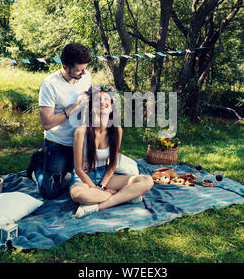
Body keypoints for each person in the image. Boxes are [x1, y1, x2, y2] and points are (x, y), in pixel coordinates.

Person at [28, 42, 139, 200]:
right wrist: (74, 106)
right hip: (59, 143)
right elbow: (47, 123)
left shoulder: (85, 75)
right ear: (65, 66)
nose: (83, 73)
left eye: (85, 68)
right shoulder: (49, 85)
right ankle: (38, 163)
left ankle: (65, 169)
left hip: (83, 139)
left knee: (78, 176)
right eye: (79, 69)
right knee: (50, 193)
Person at [69, 85, 154, 218]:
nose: (102, 102)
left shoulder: (117, 130)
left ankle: (98, 206)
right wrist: (96, 188)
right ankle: (125, 196)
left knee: (146, 180)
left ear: (111, 106)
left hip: (105, 177)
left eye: (106, 99)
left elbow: (113, 165)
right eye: (98, 100)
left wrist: (102, 186)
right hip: (83, 178)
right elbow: (78, 169)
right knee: (78, 195)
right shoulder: (81, 131)